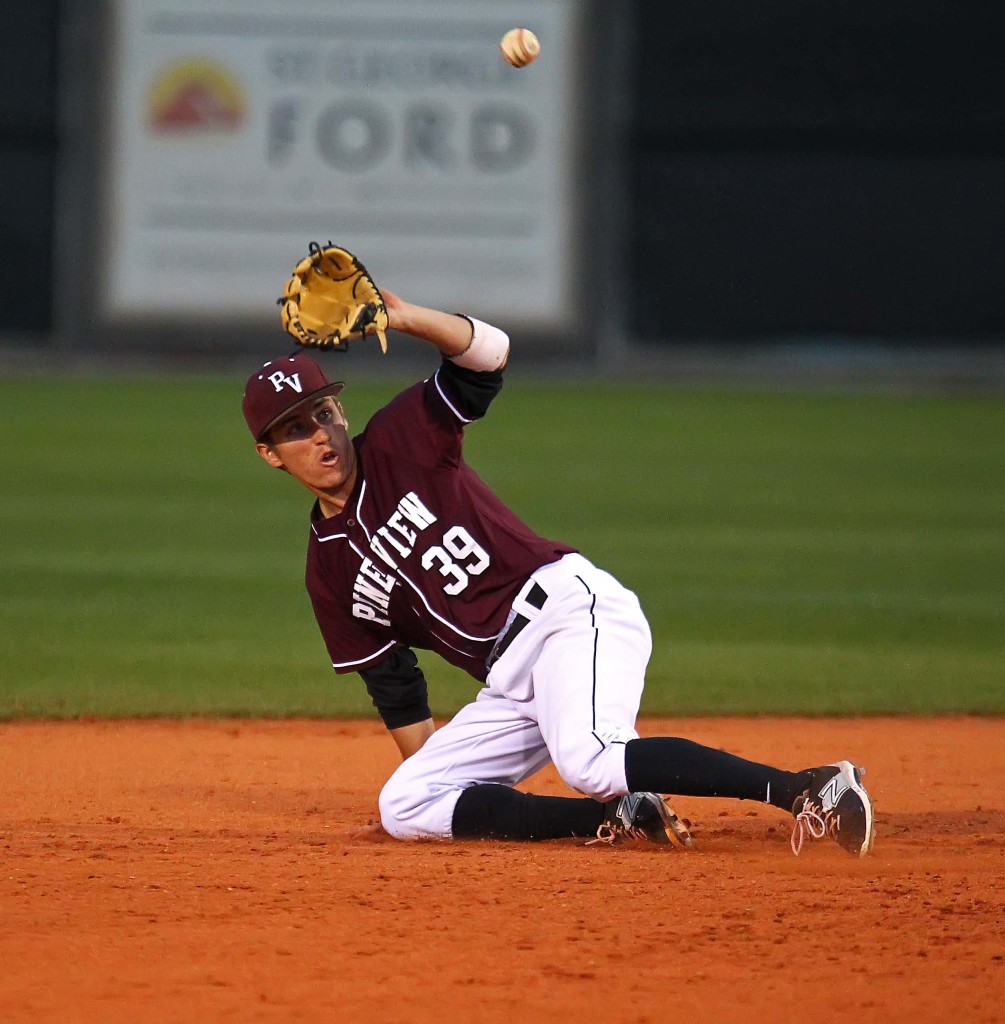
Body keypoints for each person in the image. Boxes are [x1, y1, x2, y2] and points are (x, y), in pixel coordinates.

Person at [241, 291, 874, 856]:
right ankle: (618, 818)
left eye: (323, 412)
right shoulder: (327, 568)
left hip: (566, 614)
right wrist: (439, 773)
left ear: (342, 414)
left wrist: (406, 318)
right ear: (270, 454)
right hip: (512, 681)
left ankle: (807, 789)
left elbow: (489, 356)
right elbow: (393, 683)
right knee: (405, 803)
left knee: (594, 758)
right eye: (295, 429)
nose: (319, 436)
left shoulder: (402, 438)